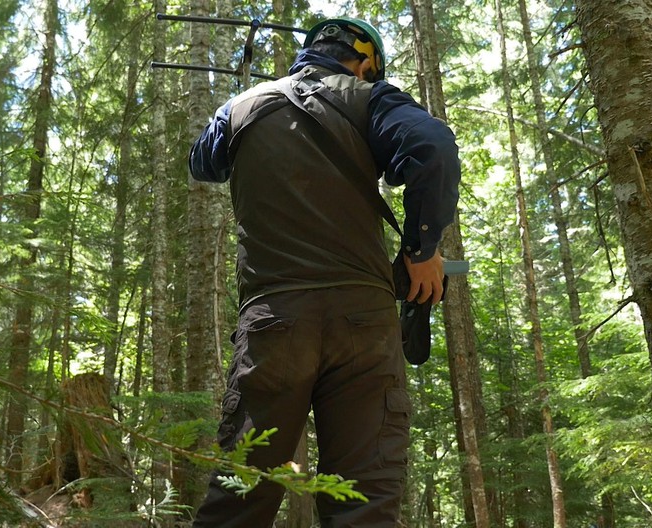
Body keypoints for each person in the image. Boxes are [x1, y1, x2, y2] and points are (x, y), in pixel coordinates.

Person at [188, 16, 461, 527]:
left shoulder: (242, 108)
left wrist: (240, 107)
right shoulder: (369, 99)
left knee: (239, 499)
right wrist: (421, 249)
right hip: (364, 323)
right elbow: (434, 148)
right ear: (363, 65)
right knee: (365, 504)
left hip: (273, 322)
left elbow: (203, 163)